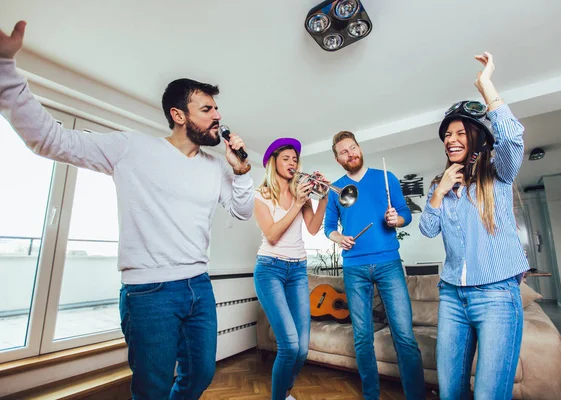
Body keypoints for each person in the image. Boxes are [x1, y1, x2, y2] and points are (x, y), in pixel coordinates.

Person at [0, 21, 254, 400]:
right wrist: (5, 69)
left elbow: (243, 212)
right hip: (149, 292)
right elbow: (49, 139)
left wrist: (241, 173)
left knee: (199, 376)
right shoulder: (132, 149)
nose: (218, 115)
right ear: (179, 115)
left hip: (199, 286)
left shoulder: (216, 166)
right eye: (207, 108)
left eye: (217, 108)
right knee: (151, 389)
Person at [419, 51, 529, 400]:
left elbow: (512, 139)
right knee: (449, 391)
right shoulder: (444, 184)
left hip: (497, 294)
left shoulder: (498, 175)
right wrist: (437, 193)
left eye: (459, 133)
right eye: (447, 135)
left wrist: (487, 87)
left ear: (476, 136)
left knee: (488, 395)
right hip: (452, 295)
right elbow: (427, 230)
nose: (450, 139)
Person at [324, 131, 426, 400]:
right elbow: (328, 228)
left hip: (388, 264)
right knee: (362, 337)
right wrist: (339, 238)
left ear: (360, 148)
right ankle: (371, 396)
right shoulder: (336, 189)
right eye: (344, 152)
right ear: (338, 159)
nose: (351, 153)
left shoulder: (386, 177)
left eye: (353, 147)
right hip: (354, 268)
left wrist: (397, 220)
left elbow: (405, 215)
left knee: (403, 335)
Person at [253, 138, 328, 400]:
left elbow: (313, 228)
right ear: (273, 162)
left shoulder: (302, 195)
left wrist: (324, 197)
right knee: (289, 346)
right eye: (286, 158)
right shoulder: (260, 196)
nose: (292, 163)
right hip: (269, 270)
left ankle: (284, 391)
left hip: (297, 271)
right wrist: (297, 203)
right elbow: (272, 235)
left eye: (295, 159)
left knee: (303, 349)